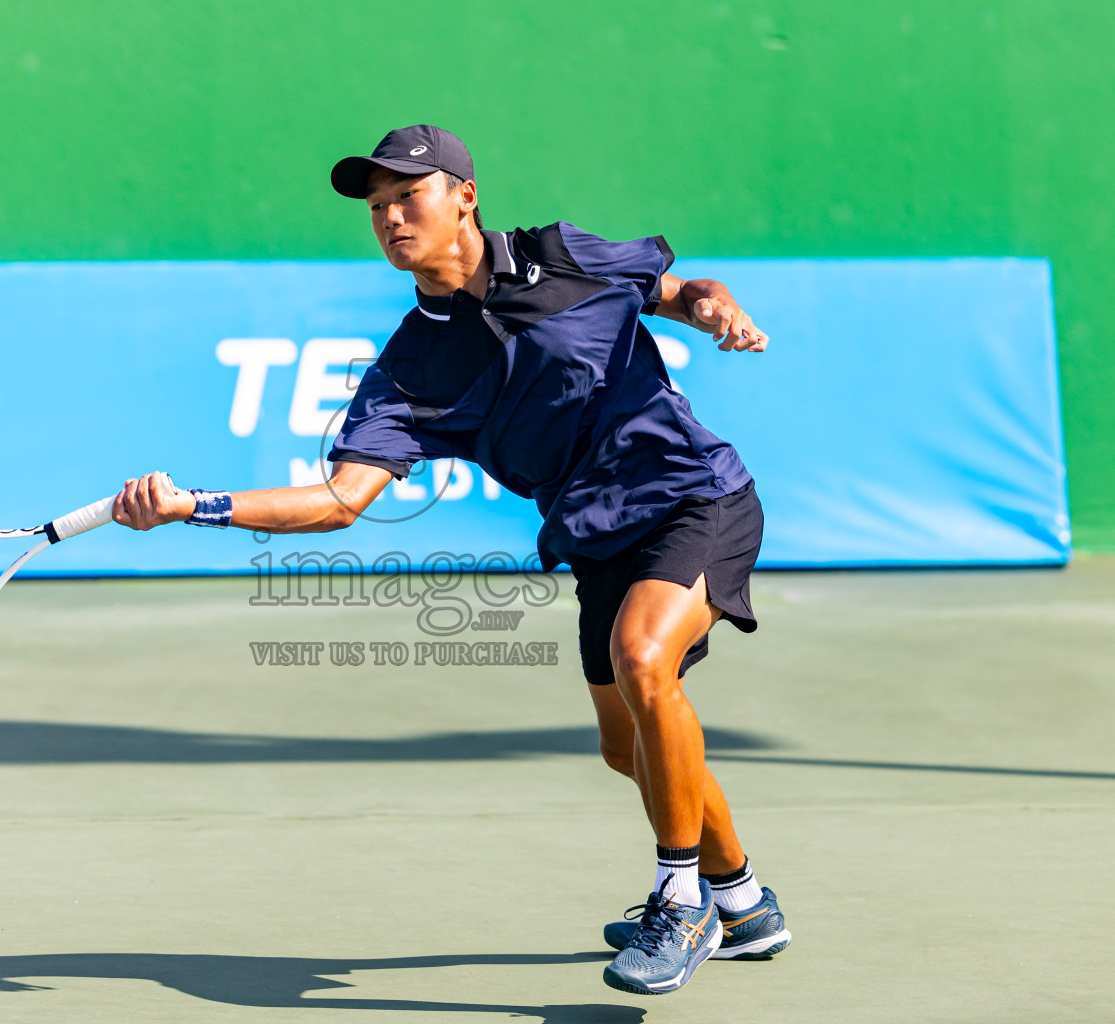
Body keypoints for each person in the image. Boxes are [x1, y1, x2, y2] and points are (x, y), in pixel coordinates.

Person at [113, 125, 791, 995]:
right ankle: (741, 900)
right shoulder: (410, 367)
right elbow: (336, 501)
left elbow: (678, 288)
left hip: (695, 495)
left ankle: (681, 899)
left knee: (644, 661)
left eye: (409, 197)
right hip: (595, 538)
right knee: (631, 751)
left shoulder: (561, 255)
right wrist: (191, 507)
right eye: (378, 208)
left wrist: (715, 307)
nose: (392, 218)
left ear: (464, 195)